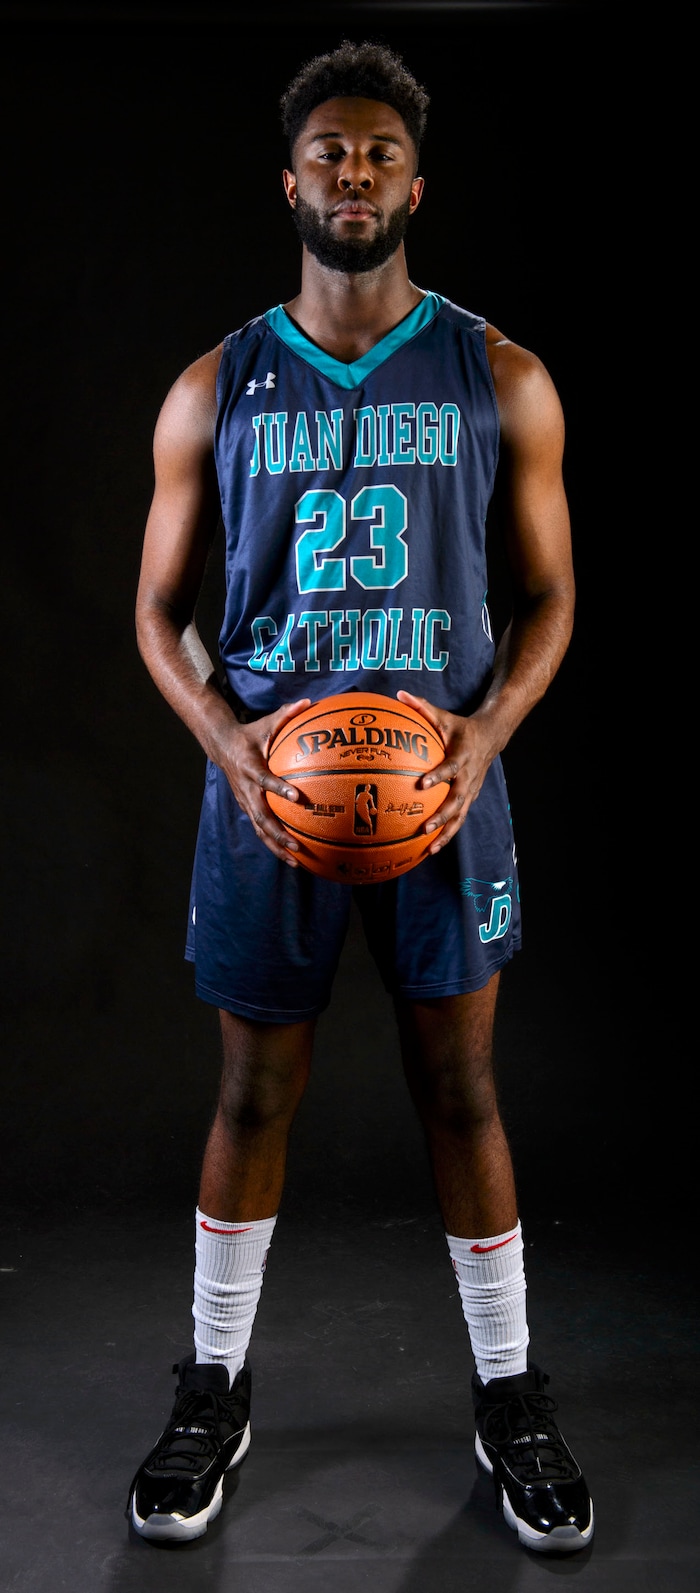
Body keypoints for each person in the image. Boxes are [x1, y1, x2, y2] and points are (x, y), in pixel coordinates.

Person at [127, 40, 593, 1556]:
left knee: (462, 1090)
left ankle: (513, 1396)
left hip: (442, 797)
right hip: (269, 799)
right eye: (328, 149)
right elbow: (157, 613)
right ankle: (212, 1385)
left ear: (415, 183)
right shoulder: (216, 385)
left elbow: (549, 599)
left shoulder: (500, 372)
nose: (352, 172)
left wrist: (481, 736)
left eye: (379, 152)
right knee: (253, 1091)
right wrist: (229, 744)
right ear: (290, 180)